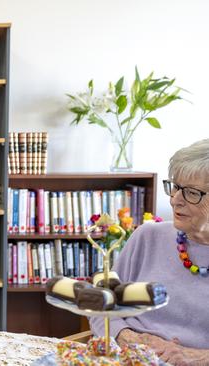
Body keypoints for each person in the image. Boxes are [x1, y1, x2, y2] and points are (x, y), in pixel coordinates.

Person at [90, 139, 209, 365]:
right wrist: (127, 336)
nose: (175, 200)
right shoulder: (148, 236)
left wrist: (195, 357)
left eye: (191, 193)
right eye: (174, 187)